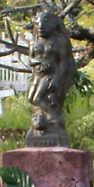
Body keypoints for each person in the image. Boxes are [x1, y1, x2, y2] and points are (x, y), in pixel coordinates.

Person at [26, 10, 75, 146]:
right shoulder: (34, 42)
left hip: (51, 74)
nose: (41, 29)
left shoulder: (59, 41)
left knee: (37, 98)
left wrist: (58, 79)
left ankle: (54, 119)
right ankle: (47, 118)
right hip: (38, 74)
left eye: (45, 26)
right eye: (39, 26)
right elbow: (31, 60)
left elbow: (64, 62)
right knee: (31, 98)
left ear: (53, 26)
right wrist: (39, 62)